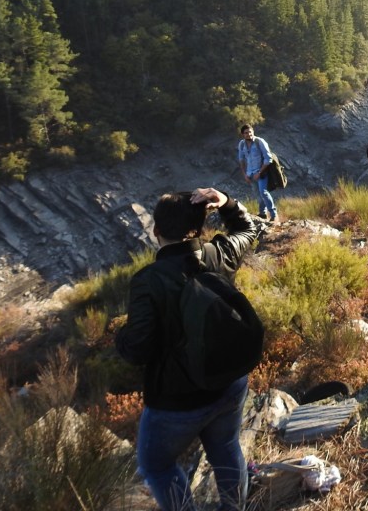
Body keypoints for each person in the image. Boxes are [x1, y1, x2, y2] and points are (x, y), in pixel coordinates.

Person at [116, 187, 257, 511]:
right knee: (225, 446)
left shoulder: (147, 280)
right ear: (197, 229)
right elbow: (248, 229)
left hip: (178, 400)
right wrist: (226, 202)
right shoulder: (219, 253)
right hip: (230, 380)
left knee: (156, 466)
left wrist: (120, 336)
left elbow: (137, 349)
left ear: (156, 231)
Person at [237, 124, 277, 223]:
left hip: (261, 172)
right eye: (246, 133)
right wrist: (245, 174)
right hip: (250, 173)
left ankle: (274, 215)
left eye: (250, 132)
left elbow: (268, 159)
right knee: (258, 194)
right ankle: (262, 213)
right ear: (242, 134)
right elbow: (241, 159)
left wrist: (259, 172)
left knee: (263, 192)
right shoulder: (241, 144)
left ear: (253, 132)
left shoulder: (260, 142)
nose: (249, 134)